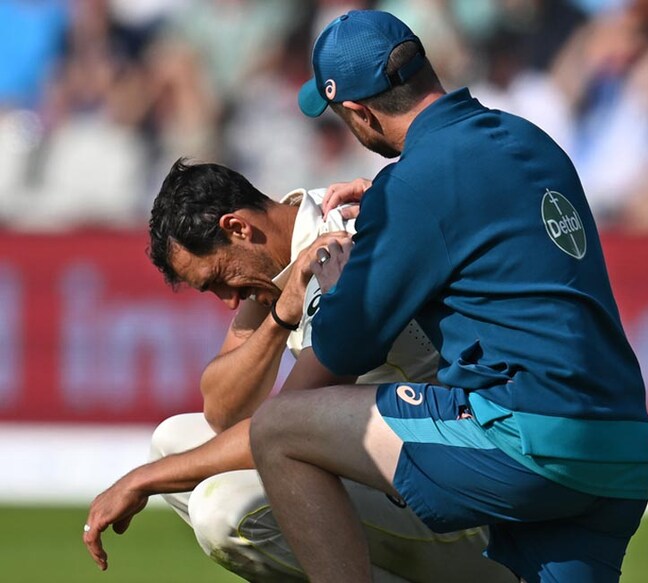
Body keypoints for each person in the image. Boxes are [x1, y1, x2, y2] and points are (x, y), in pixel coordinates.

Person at [249, 10, 648, 583]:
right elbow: (478, 207)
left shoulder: (412, 188)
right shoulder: (528, 137)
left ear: (359, 113)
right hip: (621, 445)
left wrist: (347, 277)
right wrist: (392, 202)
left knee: (280, 429)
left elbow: (324, 372)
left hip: (528, 438)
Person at [82, 159, 517, 583]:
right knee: (171, 441)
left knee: (224, 511)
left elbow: (286, 423)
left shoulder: (339, 248)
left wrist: (141, 480)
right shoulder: (281, 252)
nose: (229, 301)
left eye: (218, 279)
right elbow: (221, 410)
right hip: (394, 469)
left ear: (238, 228)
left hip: (458, 501)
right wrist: (278, 316)